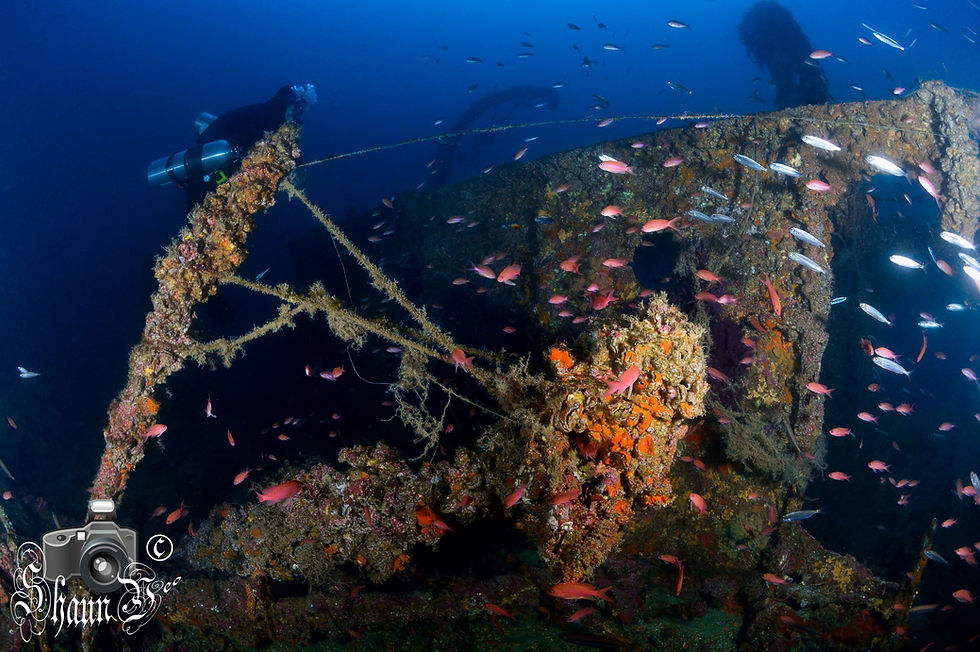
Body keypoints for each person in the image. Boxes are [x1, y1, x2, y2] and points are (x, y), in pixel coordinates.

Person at [147, 84, 316, 208]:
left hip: (216, 160)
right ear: (289, 104)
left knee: (201, 197)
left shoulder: (263, 111)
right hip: (214, 167)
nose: (297, 115)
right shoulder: (268, 118)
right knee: (199, 200)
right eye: (297, 109)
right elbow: (282, 148)